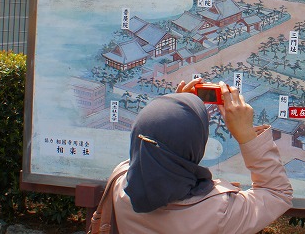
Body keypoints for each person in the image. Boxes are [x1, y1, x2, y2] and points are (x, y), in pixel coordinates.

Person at [106, 79, 293, 234]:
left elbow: (150, 149)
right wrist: (246, 135)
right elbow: (276, 193)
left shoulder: (120, 185)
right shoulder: (218, 213)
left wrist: (170, 110)